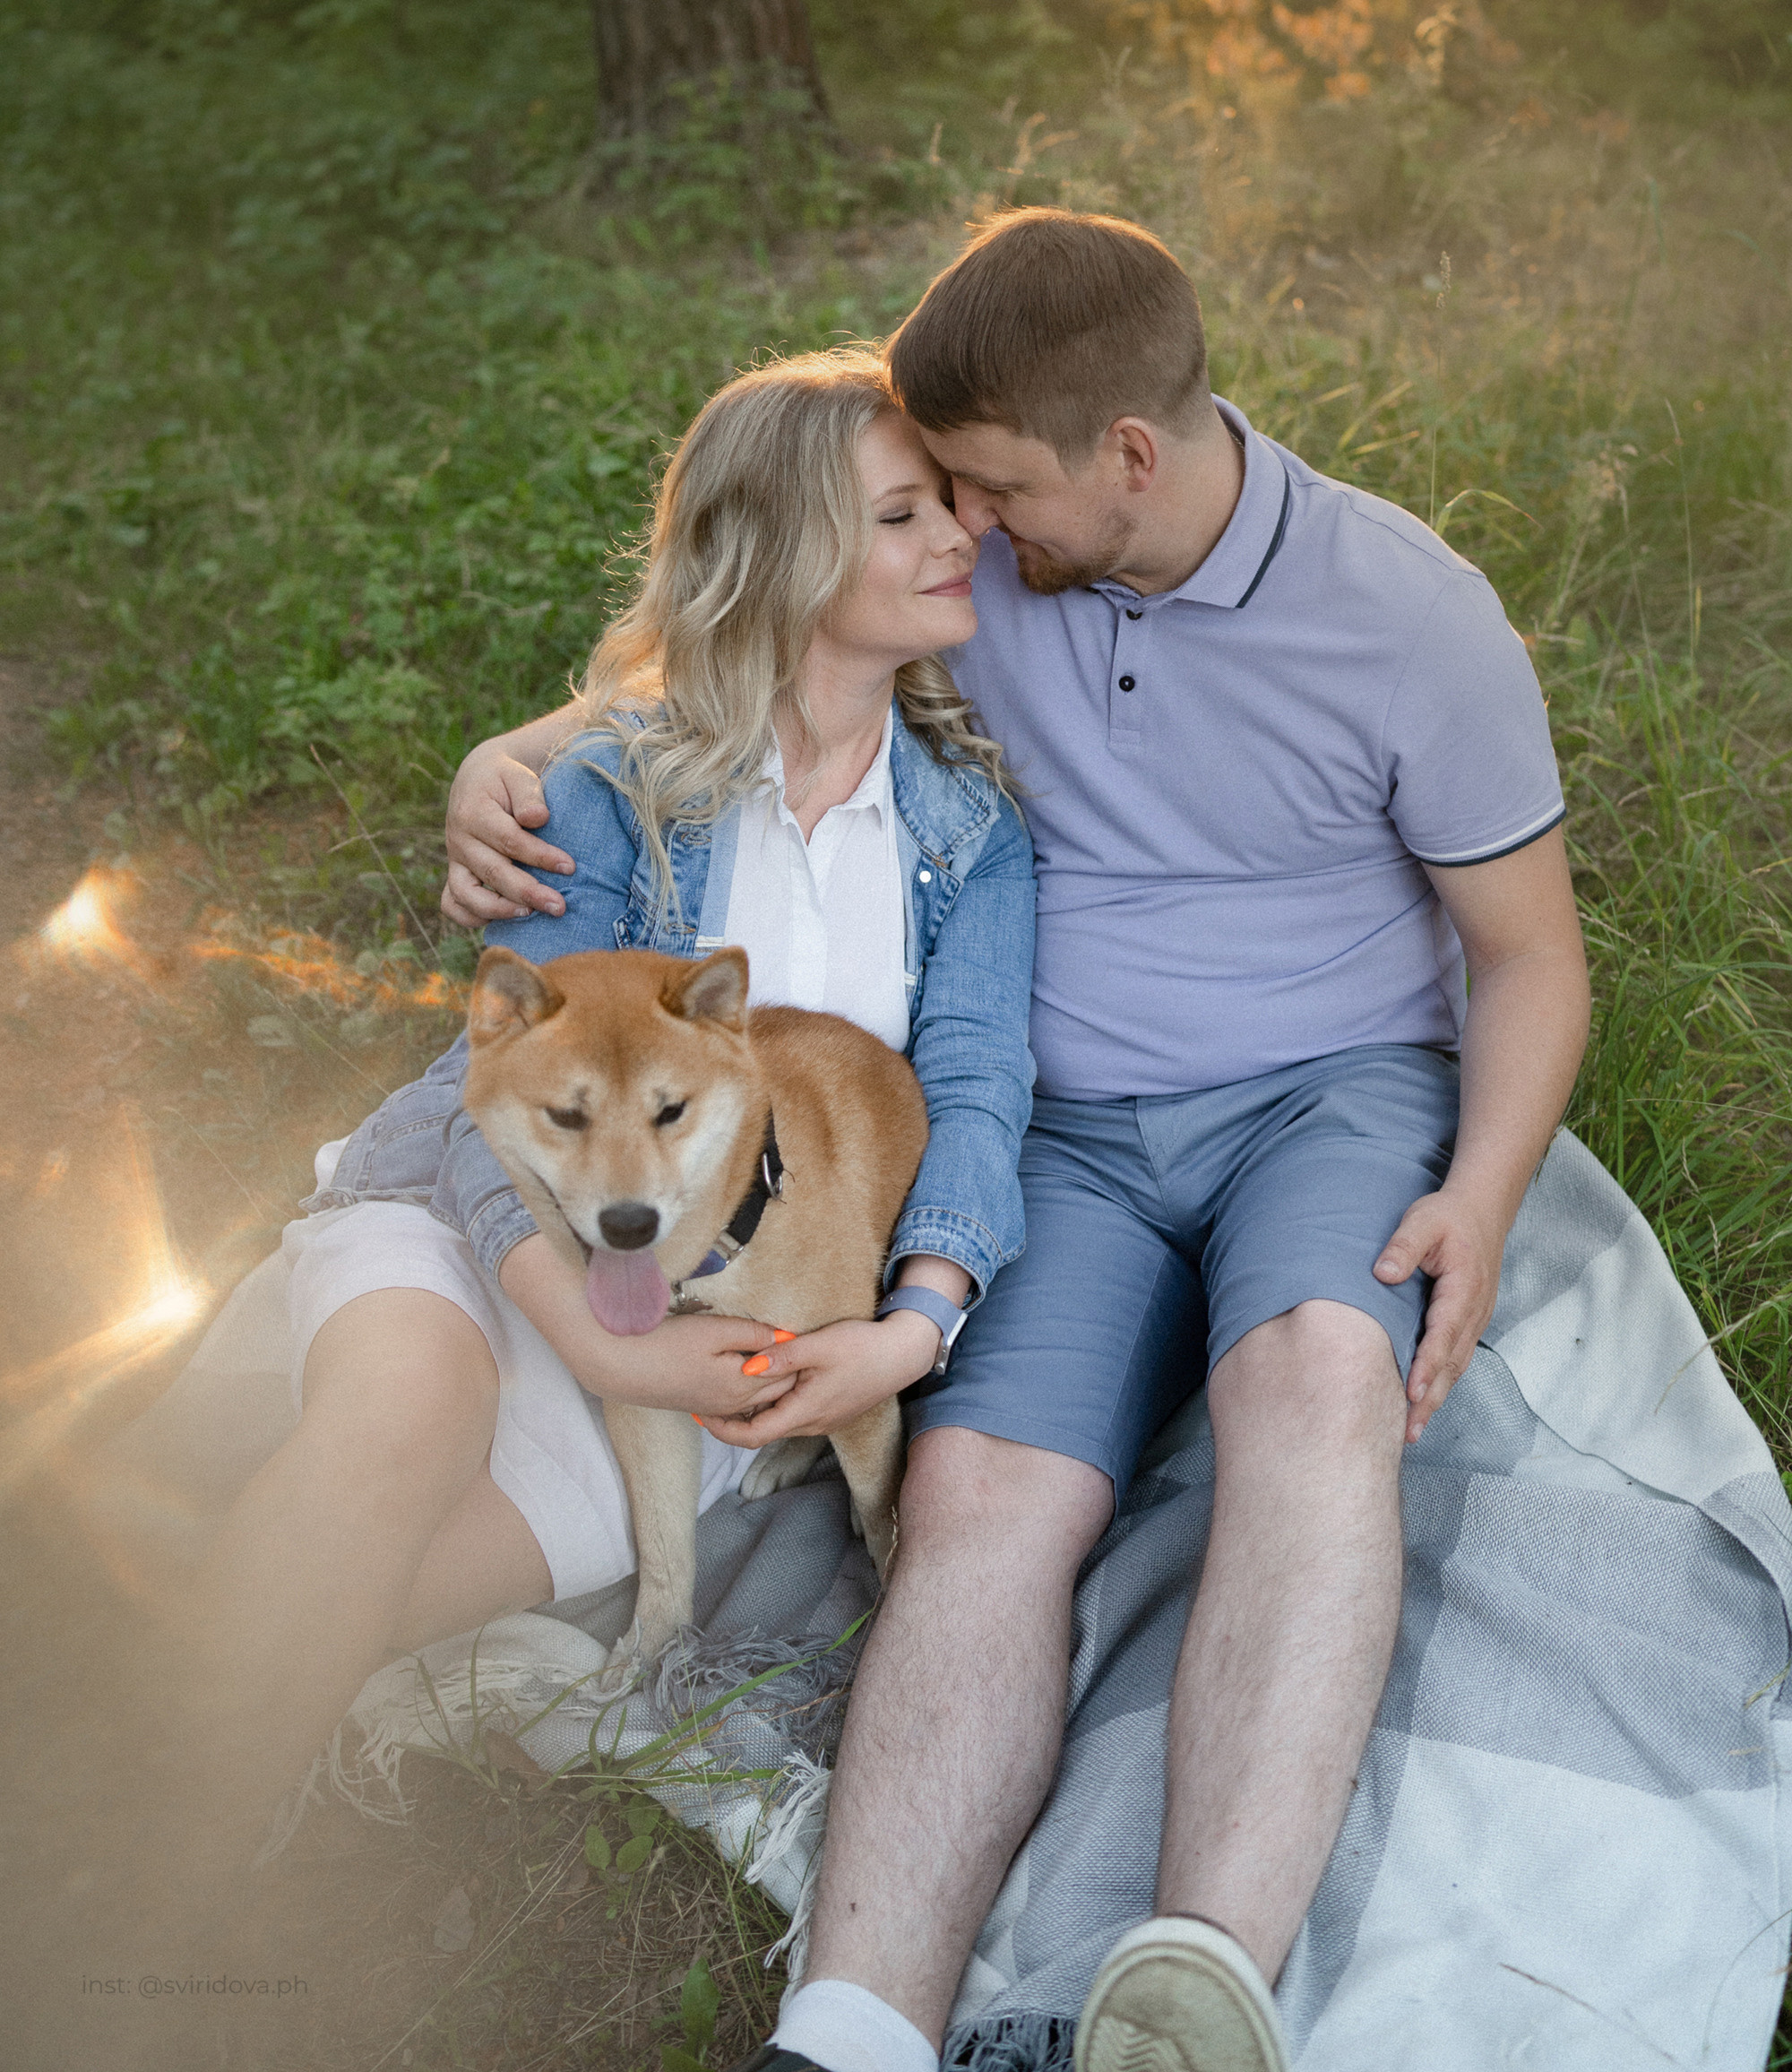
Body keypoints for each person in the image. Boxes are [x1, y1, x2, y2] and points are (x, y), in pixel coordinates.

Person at [444, 212, 1591, 2072]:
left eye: (986, 489)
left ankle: (1196, 1981)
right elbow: (723, 654)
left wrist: (1479, 1189)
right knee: (978, 1497)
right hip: (1054, 1130)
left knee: (1309, 1384)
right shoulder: (991, 589)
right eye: (936, 498)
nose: (963, 530)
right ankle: (849, 2028)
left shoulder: (1410, 616)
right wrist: (499, 756)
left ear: (1125, 459)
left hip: (1329, 1091)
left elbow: (1529, 954)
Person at [175, 349, 1035, 1885]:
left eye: (949, 508)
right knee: (406, 1414)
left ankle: (138, 1663)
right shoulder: (621, 782)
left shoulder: (966, 834)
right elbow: (488, 1098)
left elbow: (976, 1092)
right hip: (486, 1221)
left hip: (706, 1299)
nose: (954, 538)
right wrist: (583, 1334)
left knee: (395, 1582)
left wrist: (916, 1316)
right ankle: (162, 1880)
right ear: (784, 556)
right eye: (903, 516)